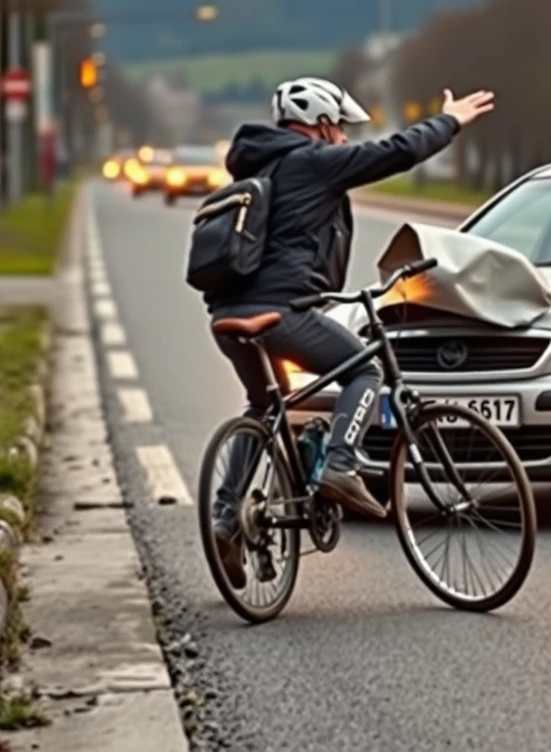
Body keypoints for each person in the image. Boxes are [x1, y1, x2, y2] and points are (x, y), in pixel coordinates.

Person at [207, 76, 494, 587]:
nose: (343, 136)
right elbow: (394, 153)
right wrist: (450, 122)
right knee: (368, 368)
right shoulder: (311, 161)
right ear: (321, 124)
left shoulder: (258, 164)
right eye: (339, 126)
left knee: (264, 407)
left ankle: (227, 518)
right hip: (281, 311)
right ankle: (341, 463)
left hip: (228, 316)